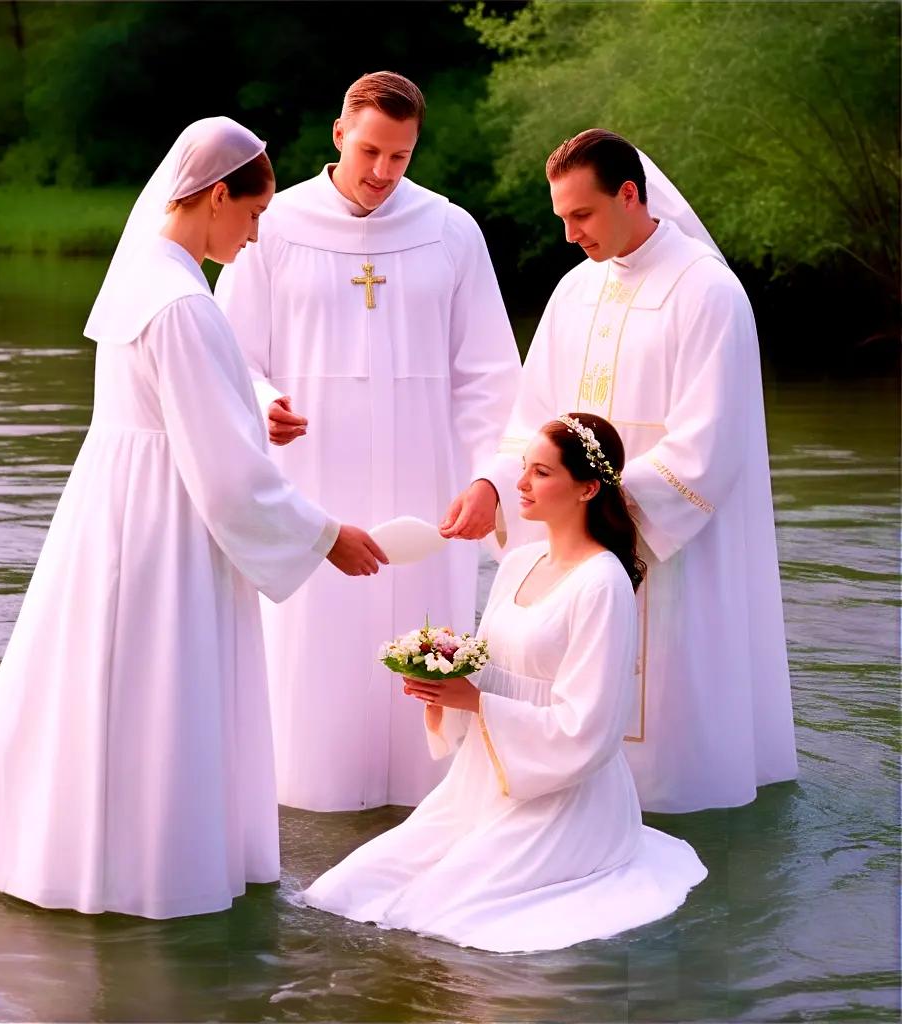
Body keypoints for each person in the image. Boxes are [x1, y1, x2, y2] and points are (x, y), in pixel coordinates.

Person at [0, 117, 387, 919]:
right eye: (252, 216)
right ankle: (154, 875)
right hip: (166, 532)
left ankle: (76, 861)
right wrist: (326, 537)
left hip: (113, 515)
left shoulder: (145, 278)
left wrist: (254, 412)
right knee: (157, 692)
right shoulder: (183, 302)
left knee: (101, 691)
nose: (255, 238)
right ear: (218, 196)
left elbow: (187, 415)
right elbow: (226, 476)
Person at [443, 129, 797, 813]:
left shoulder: (708, 291)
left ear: (629, 195)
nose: (571, 234)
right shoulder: (573, 292)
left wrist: (594, 512)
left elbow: (709, 445)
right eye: (562, 218)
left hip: (673, 553)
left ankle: (675, 804)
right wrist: (496, 485)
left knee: (665, 707)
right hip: (578, 538)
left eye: (583, 215)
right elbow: (532, 421)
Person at [215, 72, 521, 812]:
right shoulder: (273, 227)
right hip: (312, 485)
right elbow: (228, 354)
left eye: (401, 157)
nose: (383, 173)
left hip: (429, 486)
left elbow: (489, 376)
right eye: (371, 152)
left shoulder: (450, 231)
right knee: (313, 651)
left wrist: (491, 481)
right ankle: (306, 804)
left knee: (426, 638)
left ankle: (430, 798)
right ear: (338, 134)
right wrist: (261, 404)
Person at [302, 415, 708, 953]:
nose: (519, 484)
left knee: (435, 913)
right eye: (523, 468)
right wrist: (442, 681)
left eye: (540, 472)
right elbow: (493, 670)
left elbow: (588, 727)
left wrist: (477, 700)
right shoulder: (516, 562)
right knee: (340, 891)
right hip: (484, 779)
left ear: (587, 488)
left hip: (564, 796)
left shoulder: (603, 583)